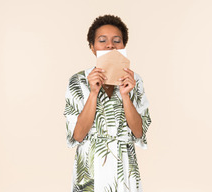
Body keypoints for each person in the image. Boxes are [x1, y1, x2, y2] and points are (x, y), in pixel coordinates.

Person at [64, 15, 151, 192]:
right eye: (102, 40)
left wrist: (126, 96)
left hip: (124, 168)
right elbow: (78, 135)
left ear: (123, 46)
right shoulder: (78, 81)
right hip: (89, 170)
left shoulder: (135, 80)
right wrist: (93, 92)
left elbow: (138, 131)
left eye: (116, 40)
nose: (110, 45)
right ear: (92, 47)